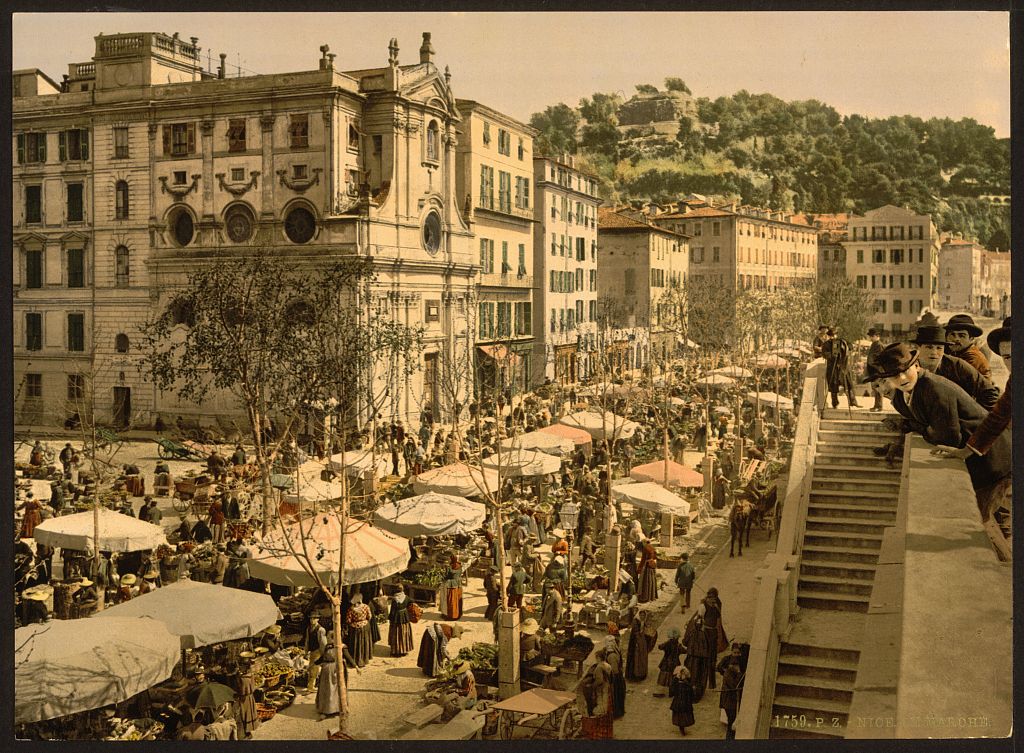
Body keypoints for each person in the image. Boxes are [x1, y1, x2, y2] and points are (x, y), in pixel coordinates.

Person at [875, 342, 1012, 557]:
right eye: (894, 376)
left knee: (979, 519)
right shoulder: (908, 394)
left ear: (917, 366)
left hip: (994, 460)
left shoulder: (934, 388)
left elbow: (947, 436)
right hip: (980, 460)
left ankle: (1005, 563)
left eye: (904, 371)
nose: (901, 379)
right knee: (982, 517)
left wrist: (920, 427)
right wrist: (922, 426)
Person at [933, 317, 1012, 548]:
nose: (1012, 362)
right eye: (1007, 357)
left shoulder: (972, 361)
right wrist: (967, 450)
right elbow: (998, 416)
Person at [912, 313, 999, 409]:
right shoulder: (956, 351)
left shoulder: (972, 357)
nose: (956, 339)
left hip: (974, 404)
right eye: (952, 334)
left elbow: (954, 387)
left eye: (962, 336)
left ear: (971, 339)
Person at [579, 648, 614, 739]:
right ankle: (607, 733)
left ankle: (599, 734)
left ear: (598, 657)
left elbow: (599, 681)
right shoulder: (607, 665)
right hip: (608, 689)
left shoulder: (599, 667)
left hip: (601, 691)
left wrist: (591, 687)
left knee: (599, 710)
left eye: (596, 657)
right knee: (607, 710)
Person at [821, 327, 859, 408]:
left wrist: (846, 348)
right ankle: (835, 403)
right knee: (833, 386)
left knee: (848, 384)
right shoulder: (826, 344)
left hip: (843, 367)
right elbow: (824, 353)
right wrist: (831, 356)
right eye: (830, 336)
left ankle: (853, 402)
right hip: (832, 368)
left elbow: (850, 346)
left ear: (836, 335)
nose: (832, 337)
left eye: (834, 335)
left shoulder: (842, 341)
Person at [625, 608, 657, 681]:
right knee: (635, 660)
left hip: (642, 645)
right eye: (641, 615)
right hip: (636, 645)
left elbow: (647, 632)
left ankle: (641, 674)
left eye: (644, 615)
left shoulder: (643, 622)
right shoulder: (635, 622)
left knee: (642, 659)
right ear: (639, 615)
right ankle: (635, 676)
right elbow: (636, 634)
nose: (642, 617)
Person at [719, 655, 744, 739]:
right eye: (735, 665)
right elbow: (734, 686)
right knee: (731, 722)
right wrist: (739, 673)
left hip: (729, 702)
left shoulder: (730, 672)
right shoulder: (728, 674)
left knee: (731, 722)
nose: (736, 667)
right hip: (729, 703)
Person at [234, 656, 259, 738]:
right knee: (249, 714)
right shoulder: (250, 675)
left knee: (245, 714)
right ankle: (248, 732)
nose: (239, 667)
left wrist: (237, 678)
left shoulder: (242, 678)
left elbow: (241, 690)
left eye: (241, 666)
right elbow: (253, 687)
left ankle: (247, 733)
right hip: (250, 697)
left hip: (244, 699)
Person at [655, 628, 685, 696]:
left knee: (663, 677)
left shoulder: (667, 644)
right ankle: (672, 691)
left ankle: (660, 691)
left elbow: (660, 647)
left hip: (666, 662)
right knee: (673, 677)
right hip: (675, 663)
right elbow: (684, 651)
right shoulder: (678, 646)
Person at [668, 664, 696, 736]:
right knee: (682, 717)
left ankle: (682, 728)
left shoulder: (679, 684)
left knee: (681, 717)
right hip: (684, 704)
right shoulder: (686, 684)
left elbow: (671, 692)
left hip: (680, 704)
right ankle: (682, 728)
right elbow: (692, 695)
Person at [387, 585, 415, 657]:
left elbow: (392, 611)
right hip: (404, 617)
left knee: (396, 633)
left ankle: (396, 650)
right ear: (402, 590)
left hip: (396, 618)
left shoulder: (394, 599)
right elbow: (412, 601)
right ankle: (404, 650)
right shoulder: (406, 597)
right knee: (404, 633)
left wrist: (390, 619)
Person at [315, 645, 341, 719]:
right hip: (329, 670)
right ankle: (329, 709)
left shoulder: (339, 647)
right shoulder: (329, 647)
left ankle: (333, 709)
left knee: (331, 690)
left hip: (332, 670)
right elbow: (322, 658)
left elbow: (347, 657)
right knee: (329, 690)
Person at [305, 616, 329, 692]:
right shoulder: (309, 628)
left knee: (314, 669)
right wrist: (306, 652)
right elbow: (307, 641)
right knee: (312, 669)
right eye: (311, 619)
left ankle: (311, 687)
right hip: (312, 651)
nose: (312, 620)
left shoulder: (321, 630)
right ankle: (311, 686)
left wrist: (323, 654)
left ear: (318, 619)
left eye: (314, 619)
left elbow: (323, 643)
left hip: (318, 651)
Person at [865, 328, 885, 411]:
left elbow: (880, 358)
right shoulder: (874, 344)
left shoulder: (879, 345)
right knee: (875, 388)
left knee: (878, 388)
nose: (871, 338)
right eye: (870, 336)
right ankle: (876, 405)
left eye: (872, 336)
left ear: (877, 336)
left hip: (877, 370)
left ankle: (879, 406)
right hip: (873, 370)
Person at [442, 554, 464, 620]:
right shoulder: (460, 565)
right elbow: (460, 573)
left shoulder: (449, 567)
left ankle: (452, 615)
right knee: (458, 599)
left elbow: (447, 576)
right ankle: (458, 614)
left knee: (452, 600)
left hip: (452, 585)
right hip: (459, 584)